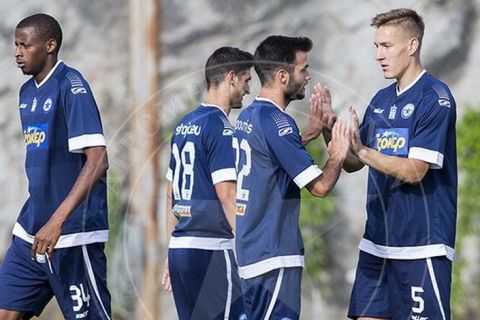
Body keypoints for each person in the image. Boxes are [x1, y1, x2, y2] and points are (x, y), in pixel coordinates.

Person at [319, 8, 457, 320]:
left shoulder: (434, 98)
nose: (379, 55)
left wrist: (363, 151)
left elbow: (415, 170)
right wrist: (332, 129)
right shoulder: (381, 100)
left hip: (421, 249)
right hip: (377, 245)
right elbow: (355, 162)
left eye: (387, 46)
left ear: (412, 45)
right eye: (376, 47)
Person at [0, 14, 111, 319]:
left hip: (73, 233)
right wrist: (43, 221)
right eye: (16, 45)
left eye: (25, 45)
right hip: (31, 231)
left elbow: (98, 158)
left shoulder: (71, 87)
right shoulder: (26, 93)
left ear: (50, 45)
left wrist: (57, 221)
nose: (17, 52)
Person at [233, 35, 350, 320]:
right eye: (303, 70)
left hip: (250, 254)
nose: (308, 77)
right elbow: (320, 187)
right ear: (283, 76)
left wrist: (309, 133)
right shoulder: (278, 121)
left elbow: (271, 159)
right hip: (275, 256)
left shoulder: (249, 117)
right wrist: (337, 153)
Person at [161, 46, 253, 320]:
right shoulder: (221, 126)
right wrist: (247, 250)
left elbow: (170, 193)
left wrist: (170, 250)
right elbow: (227, 195)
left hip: (180, 250)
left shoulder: (184, 124)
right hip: (210, 251)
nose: (248, 90)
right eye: (247, 80)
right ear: (232, 77)